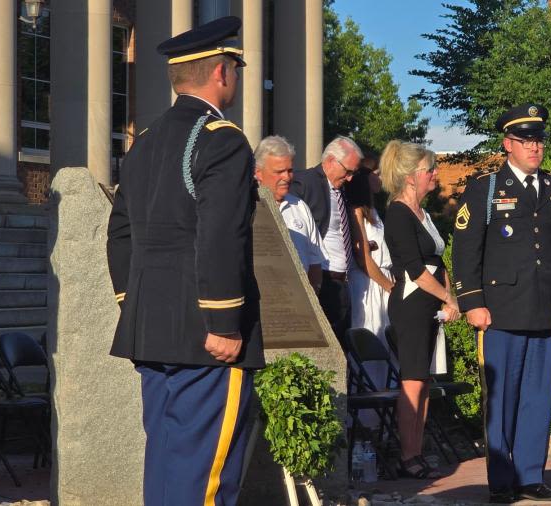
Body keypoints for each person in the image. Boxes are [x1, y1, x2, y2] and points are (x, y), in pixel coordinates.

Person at [106, 16, 263, 506]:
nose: (236, 78)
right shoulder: (221, 139)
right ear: (221, 72)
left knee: (169, 459)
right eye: (235, 68)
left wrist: (133, 303)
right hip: (204, 335)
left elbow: (121, 233)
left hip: (152, 329)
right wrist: (223, 320)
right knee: (206, 475)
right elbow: (220, 235)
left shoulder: (146, 141)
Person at [452, 104, 551, 503]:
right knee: (501, 399)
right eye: (526, 141)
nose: (535, 148)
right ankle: (502, 481)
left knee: (538, 398)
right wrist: (471, 301)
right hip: (500, 310)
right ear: (508, 144)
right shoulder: (486, 188)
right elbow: (466, 250)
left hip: (542, 308)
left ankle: (530, 477)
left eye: (538, 140)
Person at [381, 140, 460, 479]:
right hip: (412, 302)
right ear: (412, 177)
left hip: (431, 302)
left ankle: (418, 450)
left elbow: (438, 259)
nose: (435, 174)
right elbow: (416, 270)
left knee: (423, 380)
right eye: (430, 170)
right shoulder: (397, 213)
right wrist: (446, 296)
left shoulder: (424, 214)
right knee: (412, 379)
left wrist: (450, 296)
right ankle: (407, 454)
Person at [290, 136, 364, 342]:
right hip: (321, 279)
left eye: (353, 173)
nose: (350, 178)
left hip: (342, 283)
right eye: (348, 171)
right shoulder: (305, 182)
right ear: (331, 161)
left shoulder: (341, 190)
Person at [254, 135, 326, 291]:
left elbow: (315, 261)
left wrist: (315, 294)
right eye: (279, 171)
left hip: (298, 307)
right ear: (258, 172)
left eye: (290, 170)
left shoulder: (300, 207)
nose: (286, 177)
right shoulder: (246, 208)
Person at [345, 166, 394, 394]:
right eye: (376, 172)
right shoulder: (356, 211)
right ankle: (367, 419)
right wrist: (389, 286)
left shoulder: (374, 211)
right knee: (371, 335)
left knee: (386, 344)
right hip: (368, 283)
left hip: (383, 280)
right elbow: (362, 256)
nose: (380, 177)